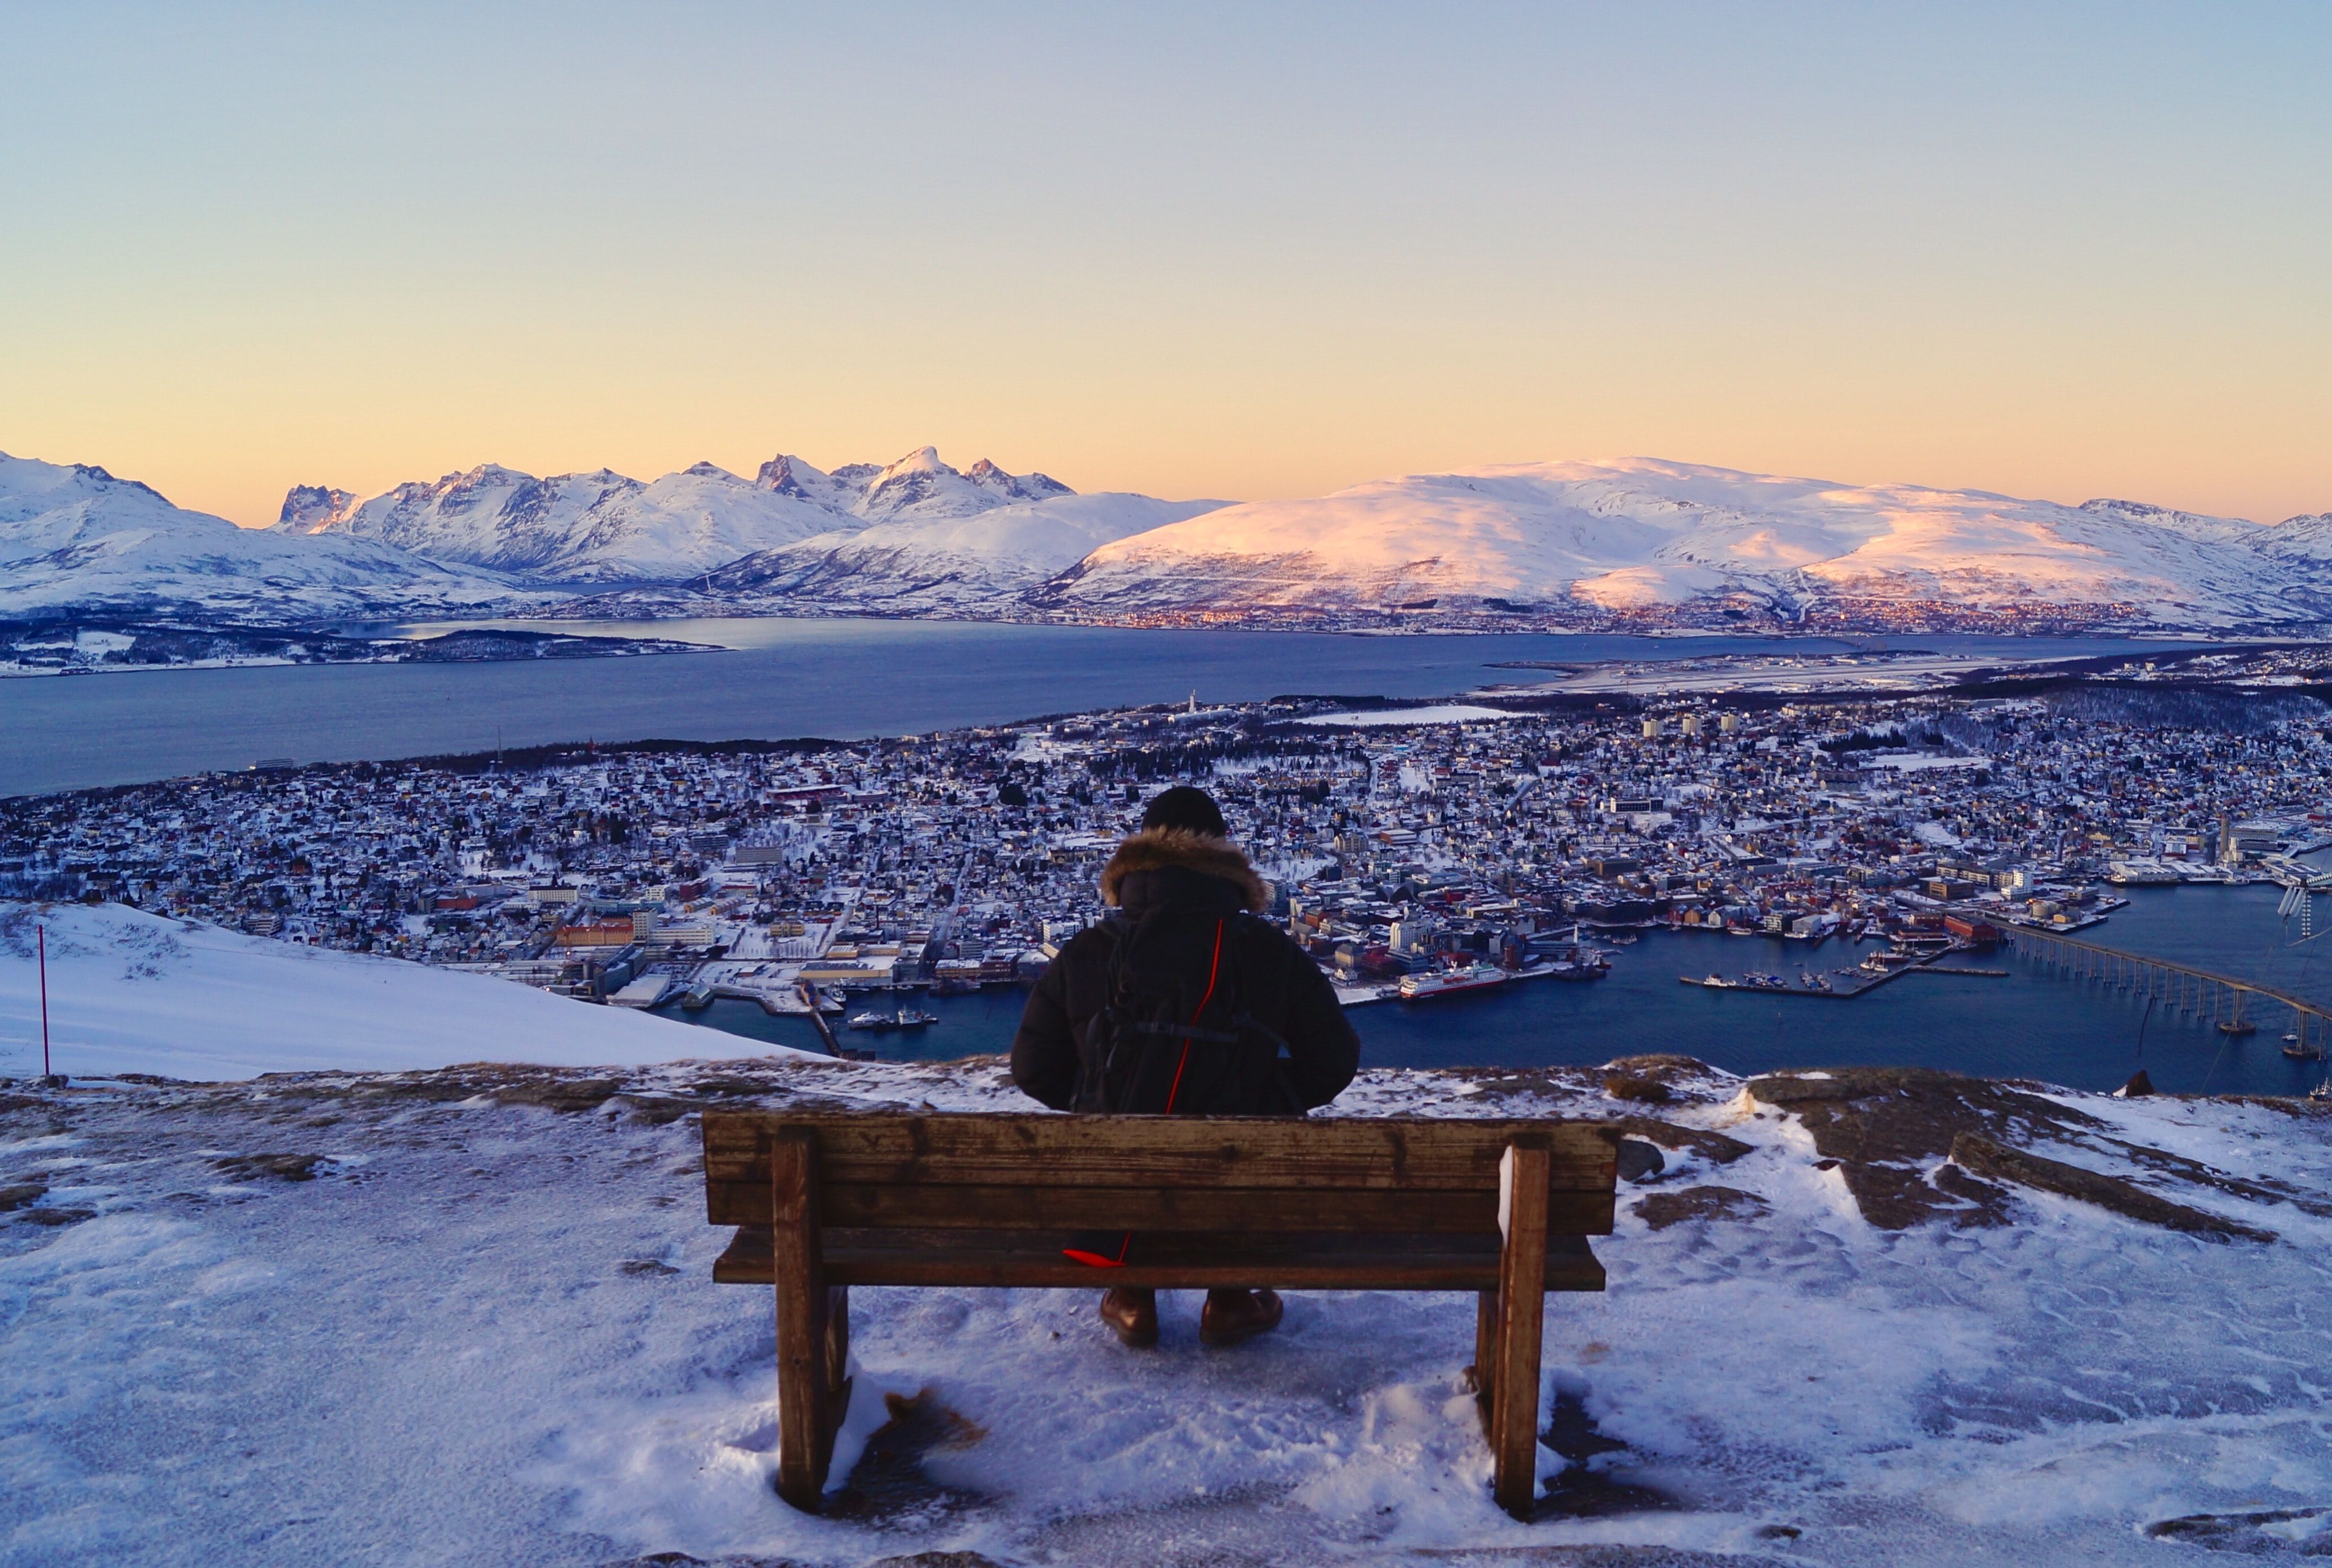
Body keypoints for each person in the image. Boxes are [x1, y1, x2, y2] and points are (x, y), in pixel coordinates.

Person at [1011, 785, 1361, 1349]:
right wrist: (1262, 1099)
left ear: (1137, 860)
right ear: (1223, 858)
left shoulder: (1087, 952)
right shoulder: (1269, 953)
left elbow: (1032, 1067)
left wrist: (1101, 1102)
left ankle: (1132, 1296)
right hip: (1238, 1203)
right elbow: (1334, 1059)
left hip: (1116, 1196)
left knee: (1131, 1140)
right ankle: (1228, 1299)